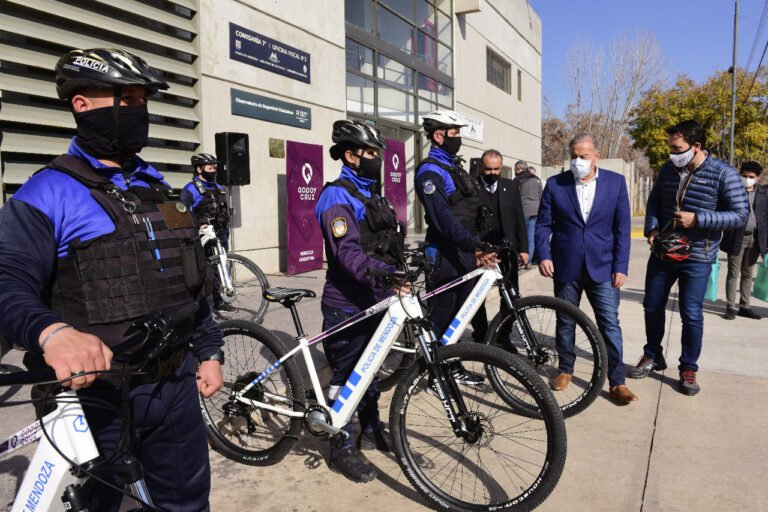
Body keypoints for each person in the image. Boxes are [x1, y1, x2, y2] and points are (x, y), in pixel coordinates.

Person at [0, 48, 224, 511]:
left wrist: (209, 350)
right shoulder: (46, 192)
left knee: (188, 504)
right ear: (81, 104)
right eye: (127, 97)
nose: (138, 110)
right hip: (101, 397)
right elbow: (8, 282)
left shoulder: (155, 186)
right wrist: (53, 333)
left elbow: (190, 280)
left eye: (143, 99)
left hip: (177, 385)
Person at [315, 120, 405, 483]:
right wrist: (381, 272)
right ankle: (341, 446)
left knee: (370, 373)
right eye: (370, 153)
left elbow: (386, 241)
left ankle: (371, 429)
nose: (376, 159)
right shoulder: (337, 197)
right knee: (346, 378)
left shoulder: (371, 193)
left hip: (376, 300)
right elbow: (347, 255)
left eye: (377, 153)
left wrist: (401, 269)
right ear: (351, 155)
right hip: (346, 305)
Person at [630, 120, 748, 396]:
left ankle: (688, 368)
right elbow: (655, 202)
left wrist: (699, 219)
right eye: (670, 147)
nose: (673, 153)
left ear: (696, 146)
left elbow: (740, 215)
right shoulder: (669, 170)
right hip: (664, 251)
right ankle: (652, 355)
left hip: (698, 255)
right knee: (651, 305)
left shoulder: (724, 174)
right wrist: (653, 228)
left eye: (677, 148)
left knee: (691, 314)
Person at [535, 133, 636, 404]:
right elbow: (544, 224)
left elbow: (622, 229)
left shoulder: (615, 184)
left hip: (603, 267)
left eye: (584, 156)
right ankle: (565, 369)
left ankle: (617, 381)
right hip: (566, 265)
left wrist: (620, 266)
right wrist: (543, 255)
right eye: (574, 156)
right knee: (566, 320)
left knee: (609, 324)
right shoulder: (556, 184)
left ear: (596, 155)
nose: (578, 161)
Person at [414, 110, 496, 385]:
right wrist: (474, 244)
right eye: (454, 133)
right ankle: (433, 375)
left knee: (459, 316)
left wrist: (480, 244)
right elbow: (444, 220)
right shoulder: (430, 172)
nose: (459, 138)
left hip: (464, 252)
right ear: (438, 136)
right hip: (443, 255)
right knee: (442, 315)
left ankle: (452, 366)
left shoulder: (454, 167)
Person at [470, 149, 529, 343]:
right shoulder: (471, 186)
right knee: (478, 295)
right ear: (481, 167)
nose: (493, 173)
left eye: (497, 169)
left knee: (511, 293)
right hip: (481, 250)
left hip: (507, 248)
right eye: (488, 169)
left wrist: (524, 248)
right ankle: (481, 335)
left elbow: (520, 218)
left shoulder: (510, 186)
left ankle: (504, 335)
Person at [181, 153, 234, 312]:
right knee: (201, 269)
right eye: (210, 167)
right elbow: (183, 215)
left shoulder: (219, 188)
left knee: (221, 266)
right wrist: (197, 226)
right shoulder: (190, 190)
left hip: (220, 233)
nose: (213, 170)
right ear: (199, 169)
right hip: (202, 235)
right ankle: (197, 303)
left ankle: (219, 300)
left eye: (214, 167)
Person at [721, 161, 768, 320]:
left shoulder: (763, 193)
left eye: (751, 177)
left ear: (758, 177)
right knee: (733, 273)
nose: (747, 179)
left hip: (755, 239)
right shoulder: (733, 192)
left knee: (748, 274)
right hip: (737, 237)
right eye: (744, 176)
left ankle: (745, 306)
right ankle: (730, 306)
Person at [514, 160, 543, 269]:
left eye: (515, 170)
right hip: (535, 211)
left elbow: (514, 197)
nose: (515, 172)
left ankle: (521, 260)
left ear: (519, 169)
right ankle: (528, 262)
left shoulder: (518, 180)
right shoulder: (537, 179)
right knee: (531, 237)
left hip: (523, 211)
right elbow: (541, 196)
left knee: (521, 237)